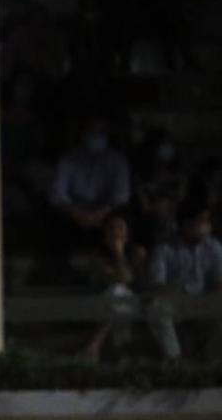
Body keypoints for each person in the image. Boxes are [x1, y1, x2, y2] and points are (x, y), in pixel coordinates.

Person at [146, 204, 222, 360]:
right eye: (202, 221)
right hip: (176, 301)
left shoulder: (214, 246)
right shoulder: (164, 248)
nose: (206, 226)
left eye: (207, 221)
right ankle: (175, 360)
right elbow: (157, 285)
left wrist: (211, 295)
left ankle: (211, 364)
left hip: (205, 300)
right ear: (186, 224)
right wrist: (178, 292)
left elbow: (219, 280)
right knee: (155, 307)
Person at [49, 117, 130, 250]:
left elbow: (121, 196)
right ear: (83, 135)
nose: (97, 137)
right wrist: (78, 215)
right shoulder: (68, 159)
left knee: (119, 223)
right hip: (73, 214)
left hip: (107, 214)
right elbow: (57, 194)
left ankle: (118, 262)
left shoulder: (118, 161)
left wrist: (99, 214)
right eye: (92, 132)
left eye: (100, 133)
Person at [83, 215, 145, 360]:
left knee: (118, 293)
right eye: (111, 229)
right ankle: (122, 353)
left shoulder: (137, 252)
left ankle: (95, 343)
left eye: (120, 228)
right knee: (116, 291)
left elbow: (128, 279)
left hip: (135, 303)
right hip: (102, 303)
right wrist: (118, 254)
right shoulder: (97, 257)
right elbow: (119, 278)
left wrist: (120, 253)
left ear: (127, 234)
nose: (116, 232)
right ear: (105, 235)